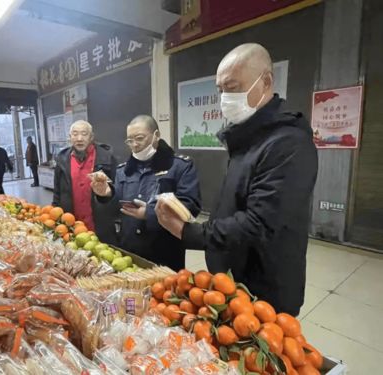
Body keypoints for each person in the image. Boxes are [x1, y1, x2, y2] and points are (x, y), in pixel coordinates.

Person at [155, 43, 318, 315]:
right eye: (220, 90)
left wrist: (189, 231)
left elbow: (260, 222)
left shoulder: (288, 144)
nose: (224, 98)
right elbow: (235, 205)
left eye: (232, 87)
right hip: (234, 280)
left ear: (265, 82)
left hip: (265, 286)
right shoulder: (249, 139)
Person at [91, 115, 201, 270]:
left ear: (156, 135)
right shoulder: (124, 170)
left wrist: (149, 213)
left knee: (165, 293)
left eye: (140, 138)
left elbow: (190, 207)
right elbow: (116, 209)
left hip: (165, 249)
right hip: (129, 251)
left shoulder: (179, 166)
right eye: (129, 140)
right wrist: (106, 194)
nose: (134, 145)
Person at [53, 120, 118, 244]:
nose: (79, 138)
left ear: (91, 137)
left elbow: (116, 191)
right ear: (70, 137)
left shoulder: (107, 159)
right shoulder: (62, 160)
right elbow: (57, 193)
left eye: (84, 134)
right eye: (75, 134)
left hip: (99, 226)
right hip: (71, 225)